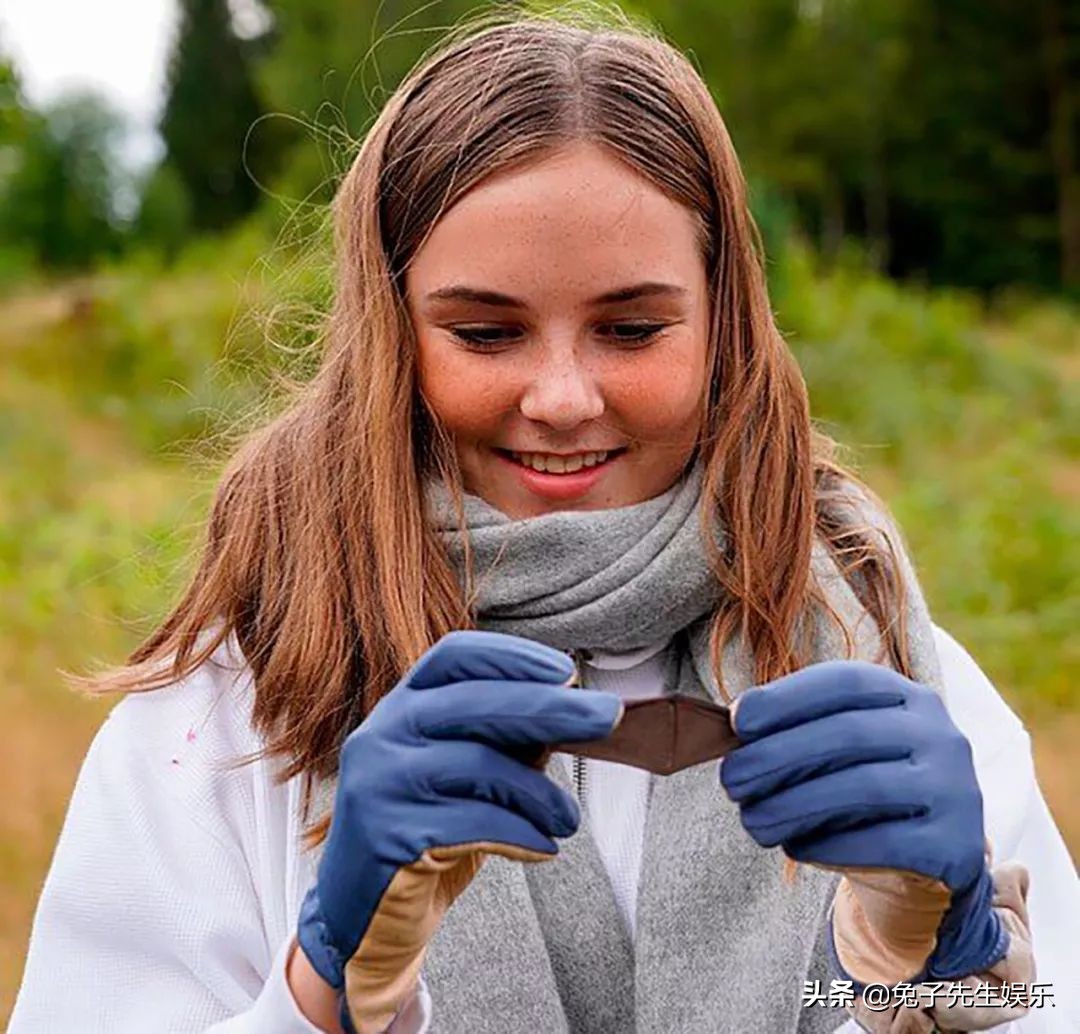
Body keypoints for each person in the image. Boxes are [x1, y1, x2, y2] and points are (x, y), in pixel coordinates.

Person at [8, 10, 1079, 1034]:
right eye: (485, 331)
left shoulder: (879, 656)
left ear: (724, 325)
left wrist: (963, 970)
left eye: (631, 326)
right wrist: (323, 990)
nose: (563, 395)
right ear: (394, 333)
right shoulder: (237, 713)